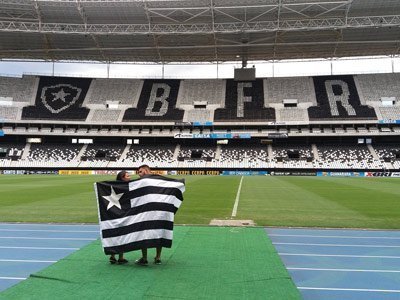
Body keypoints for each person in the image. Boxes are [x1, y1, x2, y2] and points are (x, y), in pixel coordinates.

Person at [135, 164, 162, 266]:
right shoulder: (159, 178)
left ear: (146, 171)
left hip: (146, 212)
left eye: (140, 171)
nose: (139, 174)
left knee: (143, 234)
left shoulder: (142, 182)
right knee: (158, 233)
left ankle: (145, 258)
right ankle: (158, 257)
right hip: (158, 212)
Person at [109, 170, 131, 265]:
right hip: (122, 213)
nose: (130, 177)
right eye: (127, 176)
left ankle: (113, 256)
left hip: (115, 213)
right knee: (122, 234)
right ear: (122, 177)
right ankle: (120, 257)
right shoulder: (128, 187)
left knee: (116, 234)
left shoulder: (114, 186)